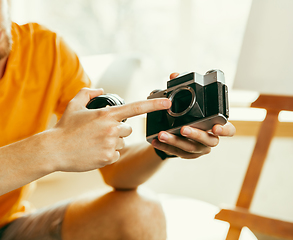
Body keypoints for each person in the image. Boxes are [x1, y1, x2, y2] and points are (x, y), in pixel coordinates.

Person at [0, 0, 236, 239]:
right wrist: (53, 148)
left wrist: (164, 145)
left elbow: (115, 171)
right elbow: (59, 146)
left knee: (139, 212)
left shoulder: (45, 50)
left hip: (8, 226)